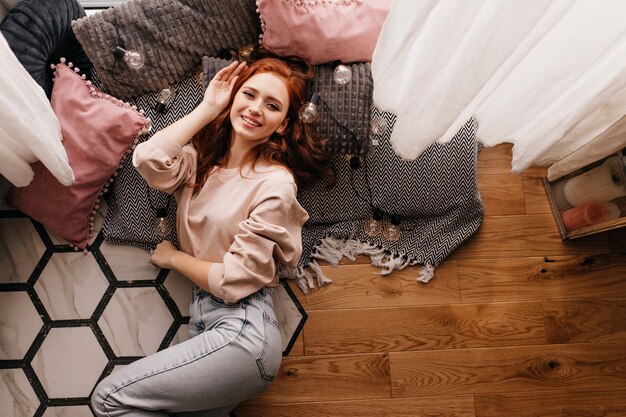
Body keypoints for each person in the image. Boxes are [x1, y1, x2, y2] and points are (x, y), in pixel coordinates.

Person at [91, 51, 329, 416]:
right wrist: (207, 108)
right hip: (206, 325)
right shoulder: (199, 165)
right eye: (248, 95)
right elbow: (148, 159)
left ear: (282, 124)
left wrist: (173, 257)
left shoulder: (275, 183)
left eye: (272, 105)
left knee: (109, 400)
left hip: (243, 330)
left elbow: (233, 280)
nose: (255, 109)